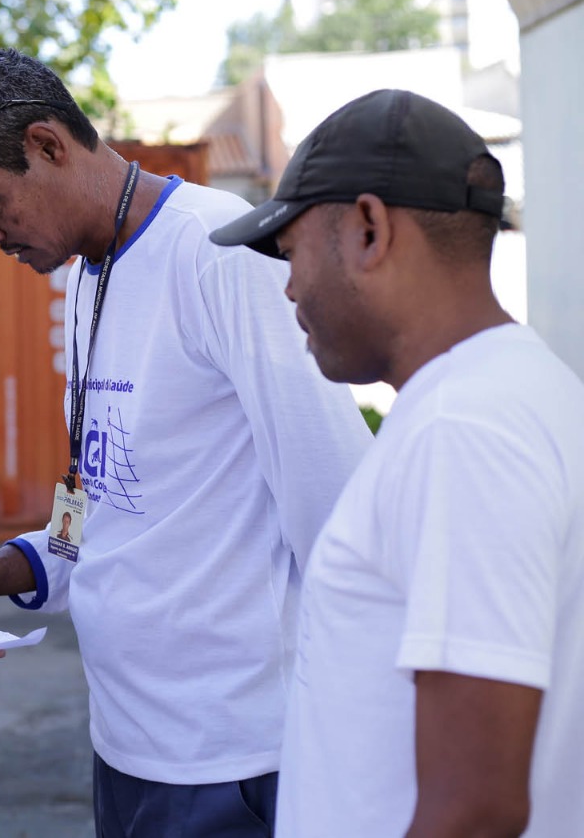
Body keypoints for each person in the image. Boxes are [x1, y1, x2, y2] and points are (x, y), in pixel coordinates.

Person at [0, 48, 373, 836]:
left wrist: (366, 737)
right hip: (128, 747)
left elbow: (343, 507)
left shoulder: (222, 255)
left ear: (47, 144)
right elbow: (102, 509)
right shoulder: (85, 275)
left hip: (238, 758)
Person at [210, 89, 584, 838]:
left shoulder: (463, 429)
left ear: (370, 230)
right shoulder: (525, 390)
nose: (288, 288)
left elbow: (475, 808)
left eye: (290, 253)